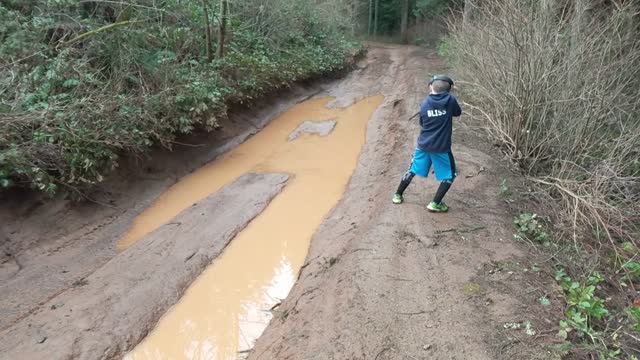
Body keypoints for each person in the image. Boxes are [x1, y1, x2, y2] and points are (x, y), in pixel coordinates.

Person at [392, 75, 462, 213]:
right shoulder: (451, 100)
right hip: (441, 148)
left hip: (423, 145)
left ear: (431, 87)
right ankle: (435, 203)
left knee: (412, 169)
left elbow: (422, 124)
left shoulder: (424, 104)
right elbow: (457, 112)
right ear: (449, 89)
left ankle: (397, 195)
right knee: (450, 175)